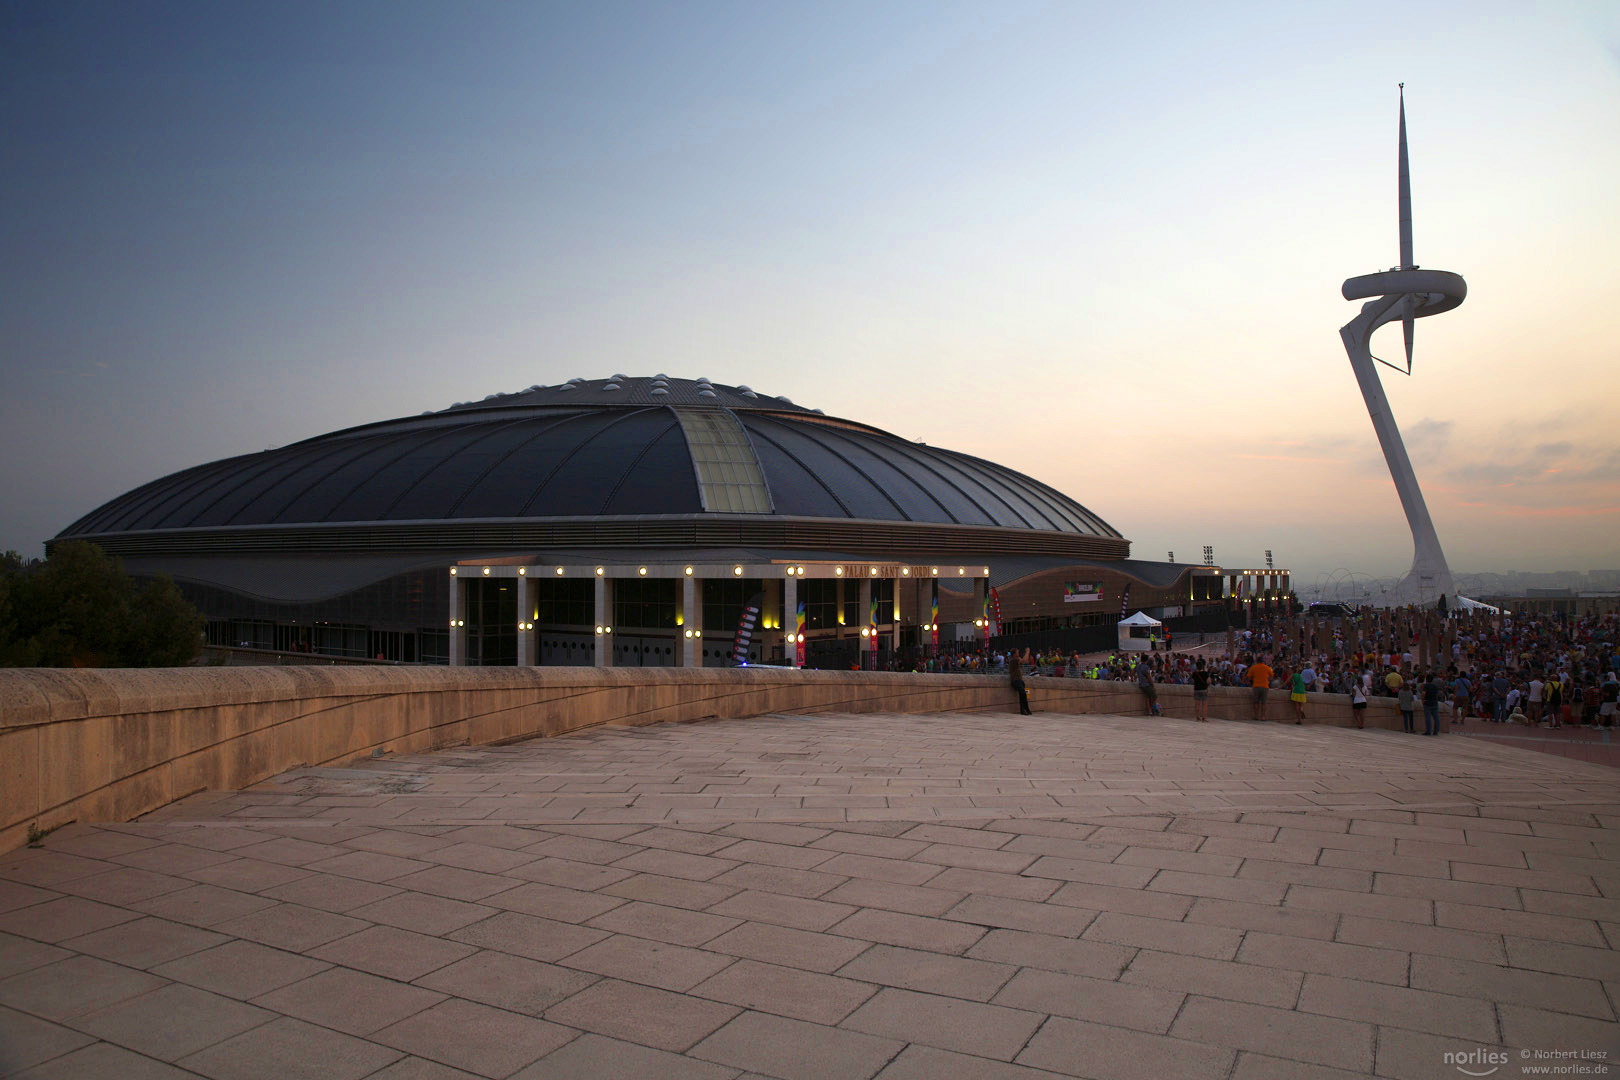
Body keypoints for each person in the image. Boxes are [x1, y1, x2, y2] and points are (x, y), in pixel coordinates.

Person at [1247, 656, 1273, 722]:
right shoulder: (1267, 667)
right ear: (1262, 661)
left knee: (1256, 702)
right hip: (1265, 686)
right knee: (1264, 703)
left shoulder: (1253, 667)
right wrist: (1267, 679)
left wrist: (1254, 679)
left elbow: (1249, 677)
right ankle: (1263, 716)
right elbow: (1272, 676)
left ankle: (1256, 716)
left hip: (1256, 686)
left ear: (1257, 661)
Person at [1422, 670, 1443, 736]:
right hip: (1434, 702)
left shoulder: (1426, 686)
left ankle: (1428, 731)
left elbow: (1423, 693)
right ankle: (1436, 731)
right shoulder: (1435, 686)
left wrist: (1423, 700)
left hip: (1427, 702)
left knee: (1428, 717)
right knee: (1436, 717)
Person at [1192, 658, 1211, 722]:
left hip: (1196, 689)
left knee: (1197, 704)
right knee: (1204, 705)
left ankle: (1197, 717)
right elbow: (1209, 681)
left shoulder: (1194, 673)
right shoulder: (1205, 673)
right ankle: (1204, 718)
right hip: (1204, 689)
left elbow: (1193, 681)